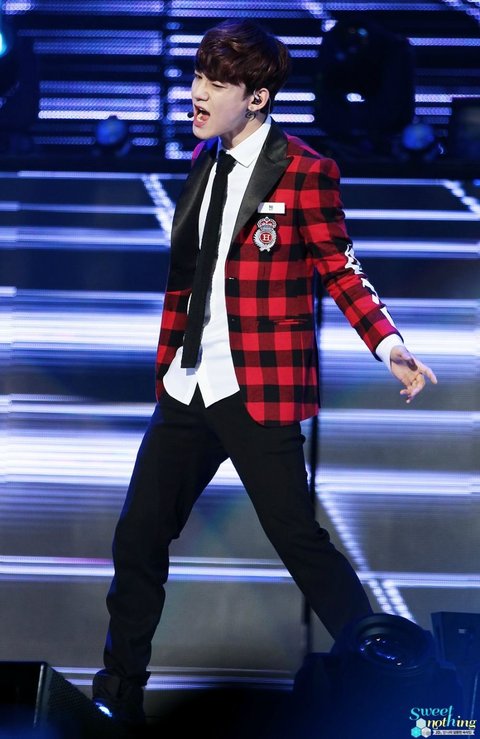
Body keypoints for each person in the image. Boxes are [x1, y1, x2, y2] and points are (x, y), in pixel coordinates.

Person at [92, 18, 437, 730]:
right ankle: (117, 697)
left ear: (257, 97)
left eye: (215, 83)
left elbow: (341, 268)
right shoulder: (203, 158)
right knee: (138, 538)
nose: (197, 94)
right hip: (188, 384)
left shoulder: (306, 171)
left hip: (259, 389)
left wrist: (388, 345)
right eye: (197, 77)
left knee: (301, 545)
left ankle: (394, 684)